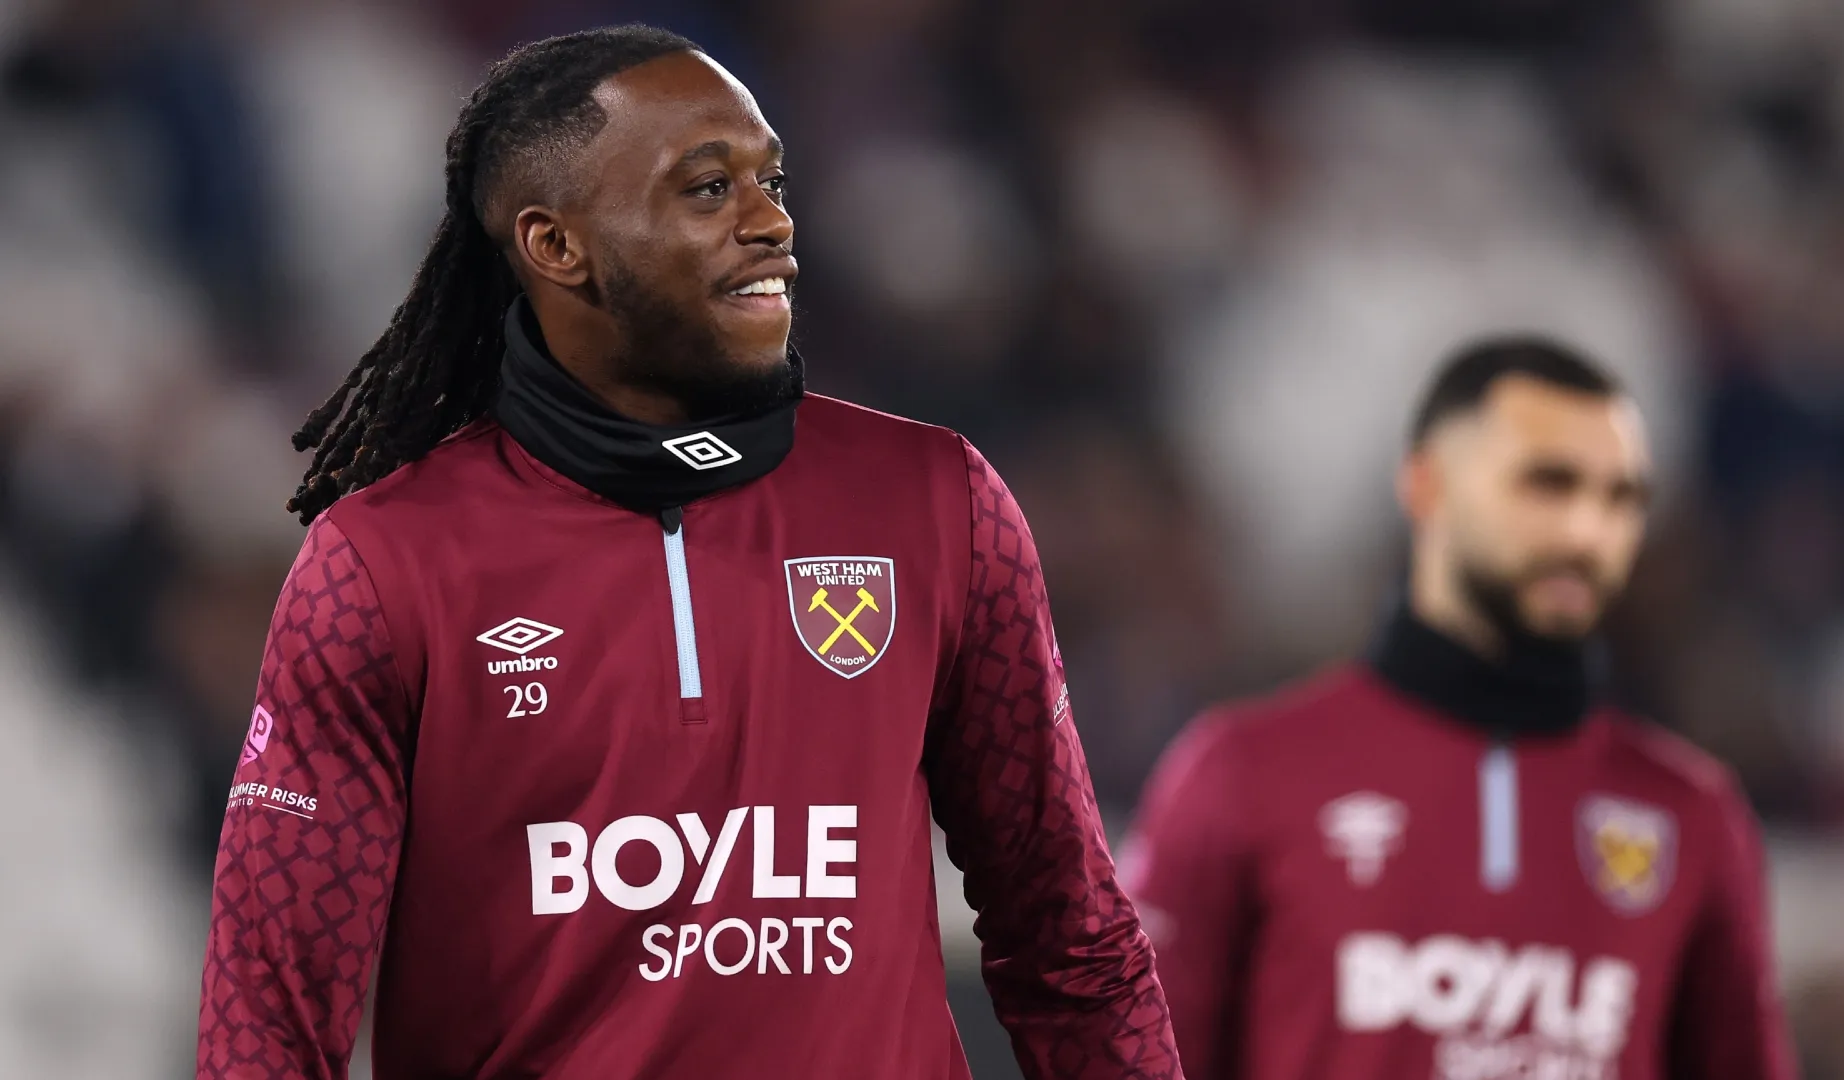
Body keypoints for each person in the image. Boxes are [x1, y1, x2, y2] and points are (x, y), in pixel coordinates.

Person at [196, 25, 1180, 1080]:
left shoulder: (935, 502)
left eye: (773, 180)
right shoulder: (386, 565)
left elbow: (1072, 943)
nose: (772, 223)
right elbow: (268, 1024)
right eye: (709, 190)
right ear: (555, 246)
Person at [1123, 340, 1798, 1080]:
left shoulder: (1692, 815)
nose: (1588, 531)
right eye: (1548, 485)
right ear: (1426, 487)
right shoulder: (1243, 773)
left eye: (1621, 499)